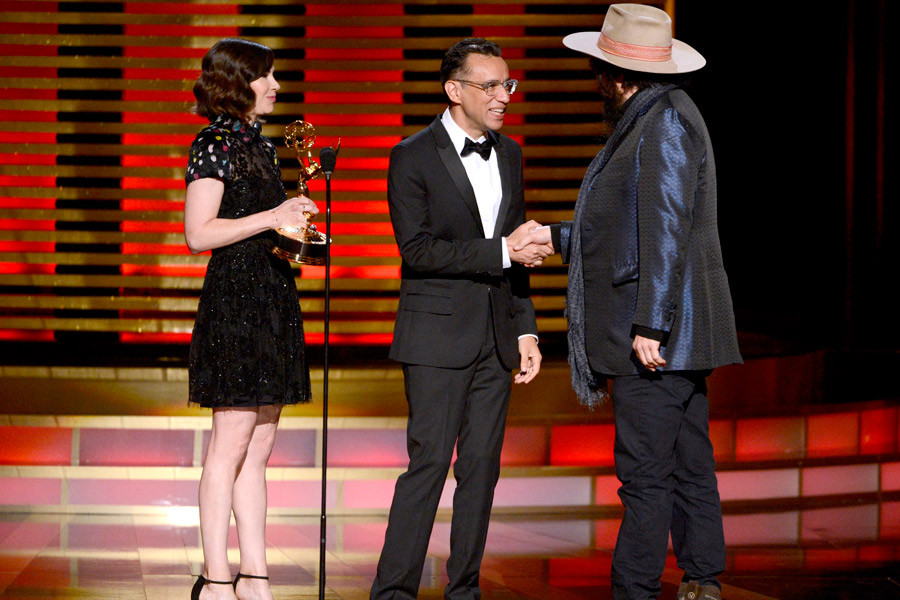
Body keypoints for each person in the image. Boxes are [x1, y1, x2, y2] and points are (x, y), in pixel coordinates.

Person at [513, 5, 743, 599]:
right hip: (674, 330)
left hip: (657, 334)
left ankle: (635, 589)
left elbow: (664, 230)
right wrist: (557, 236)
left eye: (597, 72)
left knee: (644, 476)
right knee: (689, 461)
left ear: (618, 75)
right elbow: (622, 230)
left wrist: (651, 324)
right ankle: (702, 577)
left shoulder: (662, 122)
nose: (595, 83)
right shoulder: (658, 116)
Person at [369, 38, 549, 600]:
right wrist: (501, 253)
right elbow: (417, 250)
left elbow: (518, 248)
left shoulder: (512, 153)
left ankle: (464, 590)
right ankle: (393, 592)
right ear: (455, 90)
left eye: (507, 85)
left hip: (497, 337)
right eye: (489, 86)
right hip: (436, 336)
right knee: (426, 468)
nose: (503, 97)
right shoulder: (412, 155)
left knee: (481, 474)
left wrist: (525, 328)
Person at [184, 38, 316, 600]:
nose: (276, 86)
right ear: (238, 82)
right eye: (265, 76)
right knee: (230, 444)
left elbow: (260, 226)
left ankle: (255, 577)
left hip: (271, 298)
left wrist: (294, 232)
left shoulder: (259, 146)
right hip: (236, 303)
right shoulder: (213, 143)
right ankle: (216, 579)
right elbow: (198, 234)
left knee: (259, 448)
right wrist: (271, 215)